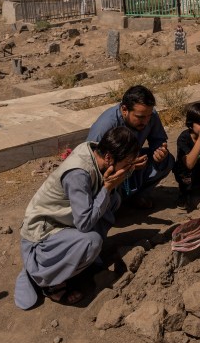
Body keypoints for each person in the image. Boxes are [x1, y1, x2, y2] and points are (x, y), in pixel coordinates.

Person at [14, 126, 139, 309]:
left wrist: (113, 186)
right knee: (91, 241)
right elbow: (85, 223)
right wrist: (107, 188)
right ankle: (46, 279)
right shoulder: (79, 174)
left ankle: (69, 264)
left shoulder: (97, 153)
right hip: (41, 235)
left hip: (63, 224)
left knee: (113, 201)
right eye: (127, 163)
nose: (128, 168)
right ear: (109, 158)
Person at [87, 85, 173, 209]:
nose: (146, 121)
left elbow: (158, 139)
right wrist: (128, 165)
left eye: (148, 116)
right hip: (113, 172)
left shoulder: (148, 114)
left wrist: (159, 151)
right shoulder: (105, 126)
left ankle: (137, 196)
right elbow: (93, 165)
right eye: (140, 117)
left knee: (167, 160)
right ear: (124, 109)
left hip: (134, 166)